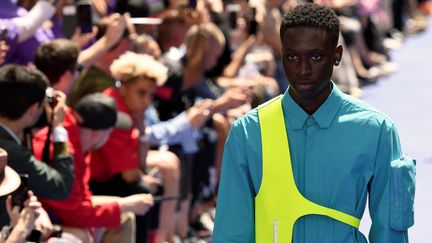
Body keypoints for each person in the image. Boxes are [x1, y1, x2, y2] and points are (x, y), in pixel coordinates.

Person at [213, 3, 415, 243]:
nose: (303, 69)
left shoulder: (376, 130)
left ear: (337, 56)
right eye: (292, 57)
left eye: (316, 56)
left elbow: (390, 232)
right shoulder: (247, 132)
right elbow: (231, 231)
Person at [32, 93, 154, 243]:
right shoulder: (63, 151)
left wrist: (121, 207)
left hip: (62, 210)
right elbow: (73, 215)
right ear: (97, 134)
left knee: (124, 215)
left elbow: (83, 197)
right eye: (109, 132)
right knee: (120, 213)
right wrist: (123, 206)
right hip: (45, 217)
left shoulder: (79, 140)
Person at [0, 64, 74, 228]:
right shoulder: (10, 151)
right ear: (34, 108)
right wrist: (59, 128)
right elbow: (61, 186)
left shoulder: (10, 140)